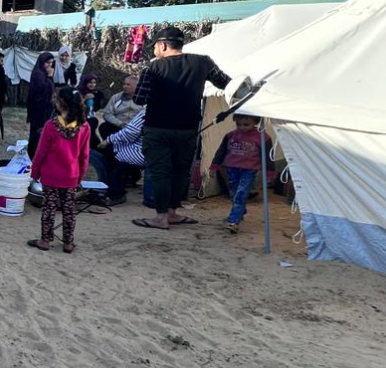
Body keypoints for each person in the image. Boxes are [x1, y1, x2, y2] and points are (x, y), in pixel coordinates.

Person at [132, 26, 231, 230]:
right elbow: (226, 83)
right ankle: (172, 213)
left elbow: (139, 99)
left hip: (157, 128)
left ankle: (160, 218)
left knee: (159, 172)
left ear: (163, 45)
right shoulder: (203, 62)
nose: (155, 51)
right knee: (180, 172)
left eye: (155, 47)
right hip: (188, 129)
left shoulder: (153, 68)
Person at [27, 87, 90, 254]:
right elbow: (84, 156)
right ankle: (68, 243)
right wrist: (80, 177)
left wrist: (34, 173)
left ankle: (45, 240)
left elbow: (40, 153)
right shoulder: (84, 127)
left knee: (49, 208)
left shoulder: (51, 125)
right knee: (69, 210)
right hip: (71, 176)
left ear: (60, 104)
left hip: (50, 176)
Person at [210, 114, 276, 233]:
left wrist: (270, 173)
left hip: (249, 170)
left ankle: (234, 221)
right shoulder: (230, 135)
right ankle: (240, 210)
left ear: (255, 122)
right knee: (233, 193)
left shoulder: (263, 137)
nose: (242, 127)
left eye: (246, 125)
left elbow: (268, 156)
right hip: (231, 167)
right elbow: (221, 152)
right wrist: (214, 166)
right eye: (238, 124)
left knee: (241, 193)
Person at [96, 107, 147, 206]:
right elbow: (107, 113)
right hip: (155, 149)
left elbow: (131, 133)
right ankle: (128, 178)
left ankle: (115, 194)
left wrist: (108, 140)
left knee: (110, 152)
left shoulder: (149, 109)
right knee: (107, 127)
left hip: (142, 151)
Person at [26, 52, 57, 157]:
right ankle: (33, 156)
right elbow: (44, 91)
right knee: (37, 133)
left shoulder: (42, 73)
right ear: (42, 62)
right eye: (47, 62)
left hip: (44, 108)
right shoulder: (38, 74)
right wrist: (49, 77)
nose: (50, 65)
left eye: (51, 63)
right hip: (39, 109)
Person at [79, 72, 105, 148]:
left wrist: (95, 99)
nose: (92, 85)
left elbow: (96, 108)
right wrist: (85, 99)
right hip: (79, 115)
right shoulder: (79, 91)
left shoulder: (97, 93)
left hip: (90, 116)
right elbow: (75, 105)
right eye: (90, 82)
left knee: (93, 122)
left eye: (94, 83)